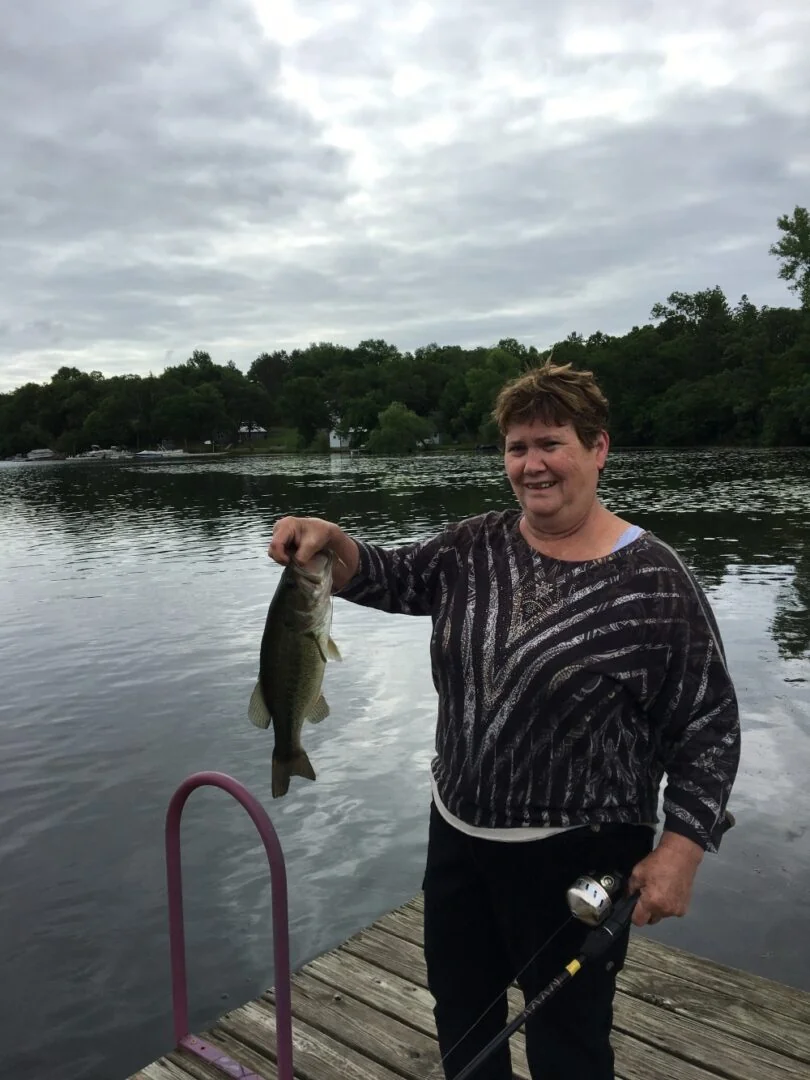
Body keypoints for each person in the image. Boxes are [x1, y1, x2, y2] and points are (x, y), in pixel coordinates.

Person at [267, 360, 741, 1080]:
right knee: (463, 1016)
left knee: (568, 1040)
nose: (532, 464)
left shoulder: (655, 580)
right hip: (459, 837)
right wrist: (331, 541)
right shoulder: (473, 545)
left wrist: (682, 848)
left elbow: (709, 724)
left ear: (598, 449)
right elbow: (395, 579)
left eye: (551, 444)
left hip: (578, 853)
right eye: (518, 448)